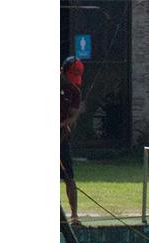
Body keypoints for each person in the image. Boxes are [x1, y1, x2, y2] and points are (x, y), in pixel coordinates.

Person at [61, 56, 84, 225]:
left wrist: (62, 124)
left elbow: (73, 116)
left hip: (61, 137)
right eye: (71, 77)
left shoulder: (75, 91)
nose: (72, 82)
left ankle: (74, 215)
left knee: (69, 176)